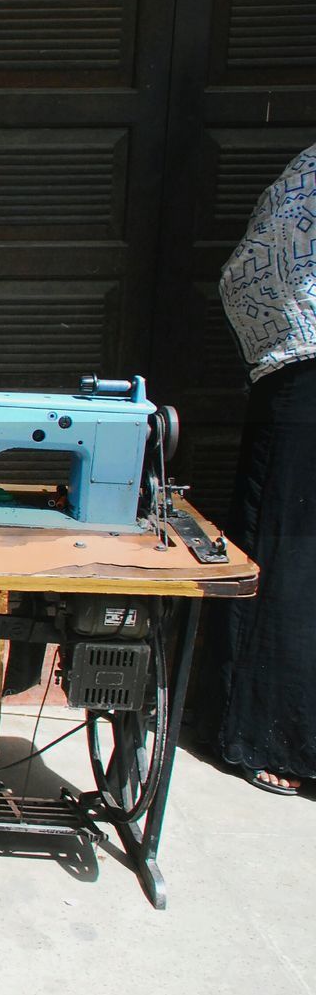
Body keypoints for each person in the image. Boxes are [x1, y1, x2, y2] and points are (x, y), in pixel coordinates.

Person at [212, 142, 316, 794]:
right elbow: (254, 273)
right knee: (290, 558)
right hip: (301, 366)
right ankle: (268, 733)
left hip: (294, 363)